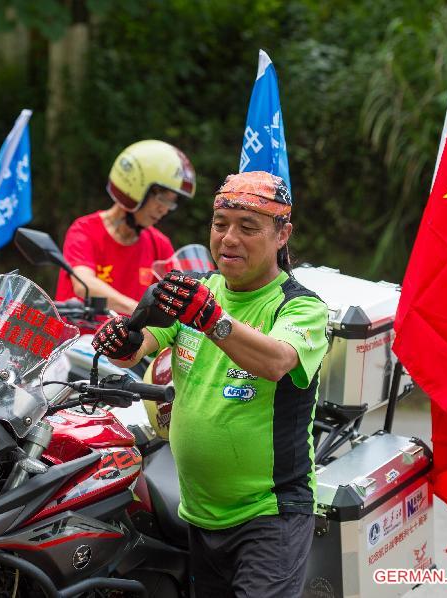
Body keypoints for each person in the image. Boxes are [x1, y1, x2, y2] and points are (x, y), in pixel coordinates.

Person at [91, 171, 329, 597]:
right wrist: (118, 340)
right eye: (221, 226)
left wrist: (212, 319)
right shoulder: (198, 290)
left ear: (282, 235)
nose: (229, 238)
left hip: (269, 515)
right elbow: (138, 347)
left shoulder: (300, 305)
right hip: (200, 513)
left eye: (248, 228)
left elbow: (276, 360)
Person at [55, 140, 196, 314]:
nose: (165, 209)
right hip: (79, 336)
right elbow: (84, 285)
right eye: (162, 199)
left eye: (171, 203)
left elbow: (176, 296)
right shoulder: (84, 230)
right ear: (136, 188)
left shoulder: (160, 245)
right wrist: (140, 311)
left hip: (129, 341)